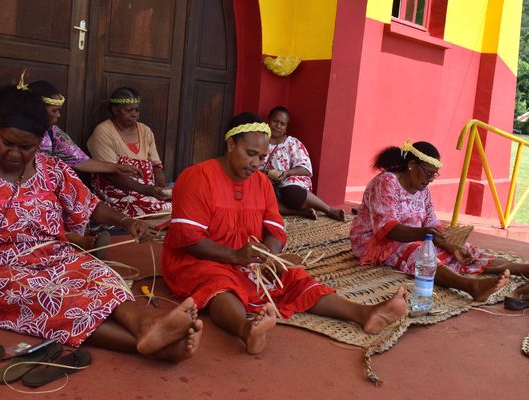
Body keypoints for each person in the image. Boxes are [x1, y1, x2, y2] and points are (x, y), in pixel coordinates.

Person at [0, 85, 201, 362]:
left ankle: (147, 327)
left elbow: (90, 205)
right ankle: (157, 344)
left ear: (40, 142)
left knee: (103, 279)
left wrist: (127, 221)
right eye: (7, 143)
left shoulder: (51, 169)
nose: (15, 154)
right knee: (58, 299)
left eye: (26, 147)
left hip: (54, 256)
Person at [162, 112, 407, 355]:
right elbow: (189, 239)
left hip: (246, 260)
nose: (256, 163)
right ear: (230, 144)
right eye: (250, 154)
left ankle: (364, 313)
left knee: (293, 277)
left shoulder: (261, 183)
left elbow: (275, 230)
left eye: (261, 157)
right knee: (222, 285)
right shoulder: (197, 177)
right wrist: (234, 256)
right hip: (200, 260)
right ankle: (246, 329)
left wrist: (269, 256)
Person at [0, 77, 139, 252]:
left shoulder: (52, 161)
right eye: (53, 110)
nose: (58, 115)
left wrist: (125, 219)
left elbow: (81, 171)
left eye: (26, 146)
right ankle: (72, 240)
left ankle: (68, 240)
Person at [348, 140, 529, 302]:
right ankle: (470, 286)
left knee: (463, 250)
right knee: (420, 253)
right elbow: (388, 230)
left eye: (434, 175)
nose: (430, 180)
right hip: (375, 243)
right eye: (427, 173)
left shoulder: (423, 189)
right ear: (411, 165)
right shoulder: (386, 182)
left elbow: (432, 223)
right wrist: (424, 234)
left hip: (414, 238)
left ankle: (521, 268)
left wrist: (451, 246)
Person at [87, 87, 171, 217]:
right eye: (129, 110)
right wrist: (147, 190)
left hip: (147, 191)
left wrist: (161, 189)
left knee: (178, 201)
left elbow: (156, 166)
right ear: (115, 110)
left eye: (137, 110)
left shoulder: (145, 130)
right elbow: (111, 174)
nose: (134, 114)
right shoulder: (103, 131)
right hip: (116, 191)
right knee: (151, 207)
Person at [261, 106, 345, 221]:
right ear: (268, 121)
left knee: (291, 193)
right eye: (275, 121)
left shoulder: (292, 143)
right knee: (262, 198)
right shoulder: (259, 140)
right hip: (265, 182)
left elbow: (306, 169)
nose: (278, 126)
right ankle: (299, 212)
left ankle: (328, 209)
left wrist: (286, 173)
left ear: (286, 128)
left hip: (288, 182)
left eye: (282, 123)